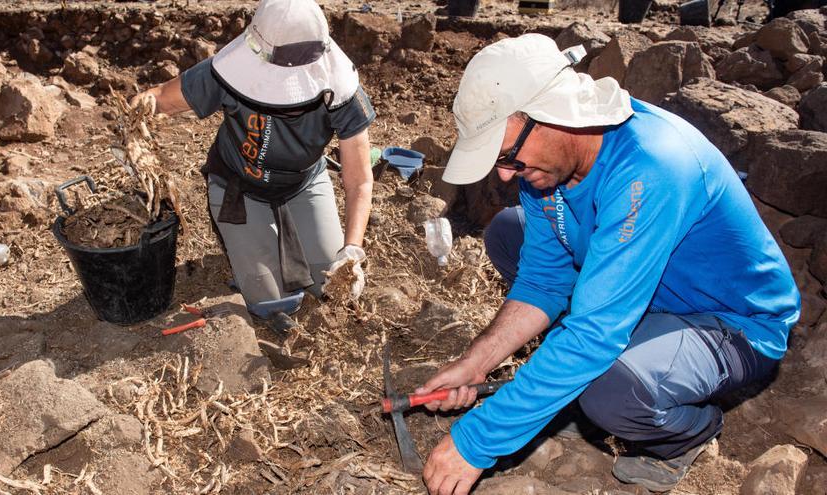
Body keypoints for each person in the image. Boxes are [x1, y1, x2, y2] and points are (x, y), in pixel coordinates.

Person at [417, 33, 800, 494]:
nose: (503, 173)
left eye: (506, 156)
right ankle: (592, 349)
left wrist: (476, 440)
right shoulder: (543, 167)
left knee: (608, 390)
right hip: (648, 291)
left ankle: (691, 433)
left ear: (553, 114)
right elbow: (542, 279)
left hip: (732, 322)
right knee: (508, 232)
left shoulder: (652, 165)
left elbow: (595, 334)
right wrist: (475, 363)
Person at [133, 0, 375, 331]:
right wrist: (135, 115)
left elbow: (360, 181)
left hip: (304, 183)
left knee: (330, 284)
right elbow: (160, 96)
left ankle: (290, 245)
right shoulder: (227, 73)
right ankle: (249, 249)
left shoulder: (343, 93)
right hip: (240, 187)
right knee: (268, 302)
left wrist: (351, 250)